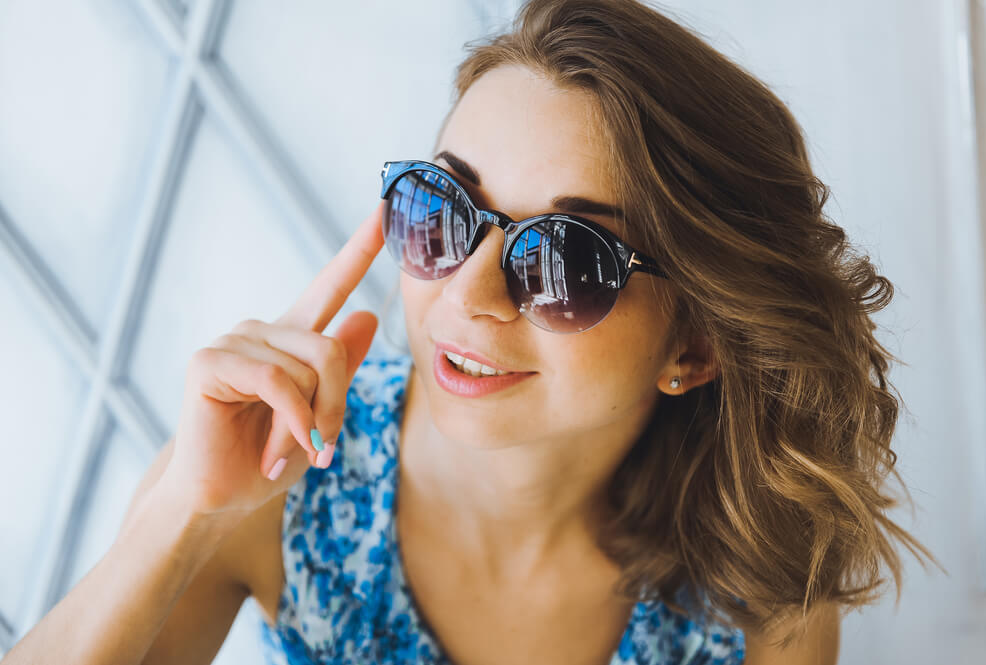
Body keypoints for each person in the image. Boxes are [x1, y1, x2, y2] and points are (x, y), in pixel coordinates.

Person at [3, 0, 933, 663]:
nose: (470, 293)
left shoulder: (758, 571)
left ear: (693, 345)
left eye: (565, 260)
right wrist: (180, 513)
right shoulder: (277, 471)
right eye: (442, 210)